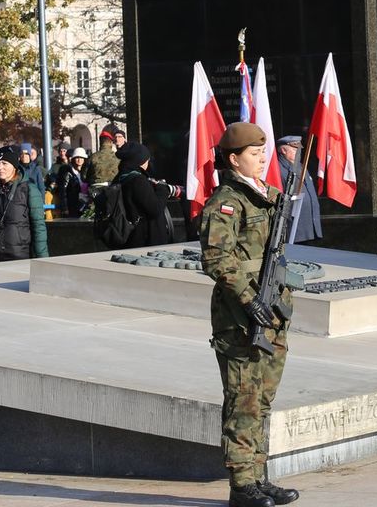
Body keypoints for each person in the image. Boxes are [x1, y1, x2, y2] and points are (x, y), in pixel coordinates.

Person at [199, 122, 298, 507]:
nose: (262, 159)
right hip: (239, 317)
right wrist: (247, 297)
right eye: (255, 154)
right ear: (234, 158)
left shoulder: (266, 195)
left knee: (263, 400)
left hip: (271, 312)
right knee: (243, 400)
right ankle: (242, 485)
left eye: (263, 153)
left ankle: (258, 475)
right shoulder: (226, 202)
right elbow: (216, 258)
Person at [0, 145, 49, 263]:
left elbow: (38, 226)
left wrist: (43, 259)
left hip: (18, 256)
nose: (0, 167)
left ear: (14, 166)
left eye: (5, 163)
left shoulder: (29, 189)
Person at [113, 141, 175, 247]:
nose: (148, 161)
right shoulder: (138, 180)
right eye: (147, 158)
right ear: (140, 160)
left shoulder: (120, 177)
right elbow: (155, 209)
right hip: (146, 240)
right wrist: (163, 189)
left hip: (130, 236)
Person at [275, 135, 320, 242]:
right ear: (283, 150)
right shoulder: (279, 170)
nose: (298, 151)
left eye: (299, 149)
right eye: (295, 149)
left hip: (310, 226)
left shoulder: (301, 167)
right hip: (295, 229)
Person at [56, 147, 90, 218]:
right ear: (73, 159)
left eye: (81, 158)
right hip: (71, 207)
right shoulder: (67, 171)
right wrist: (64, 208)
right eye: (77, 157)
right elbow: (63, 190)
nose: (79, 160)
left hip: (84, 206)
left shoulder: (85, 173)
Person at [84, 125, 121, 189]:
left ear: (100, 143)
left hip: (96, 190)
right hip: (114, 190)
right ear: (111, 142)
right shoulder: (118, 157)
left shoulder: (92, 157)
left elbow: (84, 176)